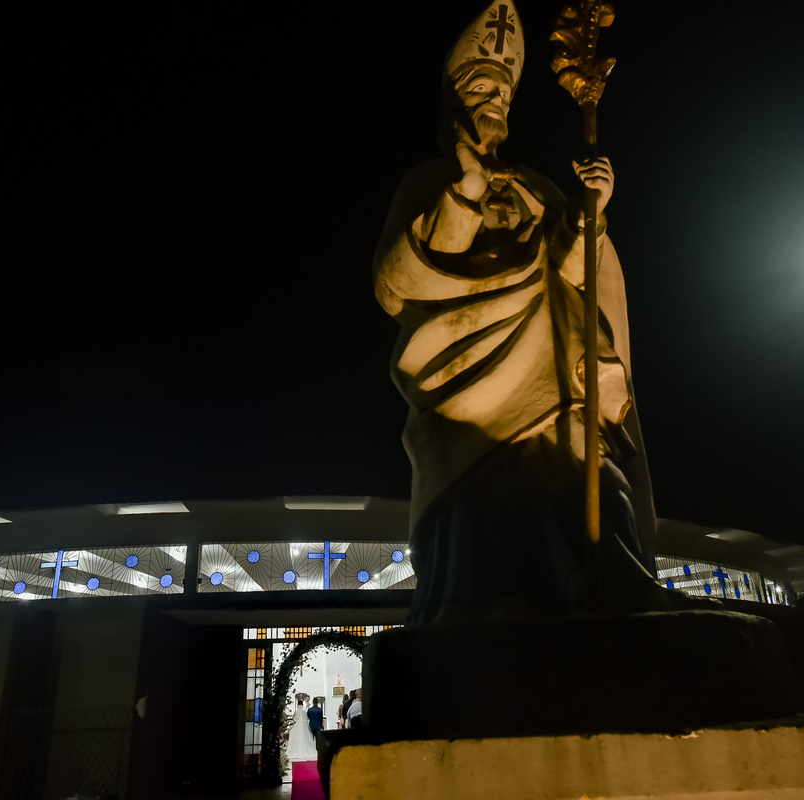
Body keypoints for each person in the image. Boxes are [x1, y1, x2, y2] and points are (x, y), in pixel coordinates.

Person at [373, 0, 680, 622]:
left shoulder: (536, 186)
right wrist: (464, 193)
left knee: (581, 477)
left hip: (551, 376)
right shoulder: (431, 179)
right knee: (482, 495)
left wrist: (590, 210)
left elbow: (572, 272)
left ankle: (610, 582)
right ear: (454, 100)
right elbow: (394, 284)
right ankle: (478, 597)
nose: (495, 102)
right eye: (482, 87)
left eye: (504, 93)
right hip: (465, 381)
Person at [285, 693, 316, 761]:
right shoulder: (304, 712)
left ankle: (296, 750)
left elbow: (293, 719)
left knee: (296, 739)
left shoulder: (296, 712)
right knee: (303, 738)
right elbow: (306, 720)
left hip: (296, 727)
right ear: (302, 705)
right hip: (303, 727)